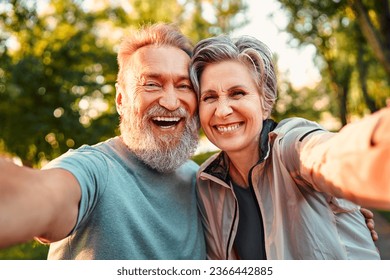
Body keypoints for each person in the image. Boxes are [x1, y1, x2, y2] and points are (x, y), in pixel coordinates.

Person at [0, 23, 206, 259]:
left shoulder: (200, 180)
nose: (171, 101)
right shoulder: (95, 169)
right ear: (121, 100)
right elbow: (45, 195)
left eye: (184, 86)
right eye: (151, 84)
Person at [189, 34, 390, 260]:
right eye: (209, 97)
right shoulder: (207, 184)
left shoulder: (289, 148)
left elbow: (326, 154)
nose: (223, 110)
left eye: (238, 93)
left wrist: (374, 149)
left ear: (265, 103)